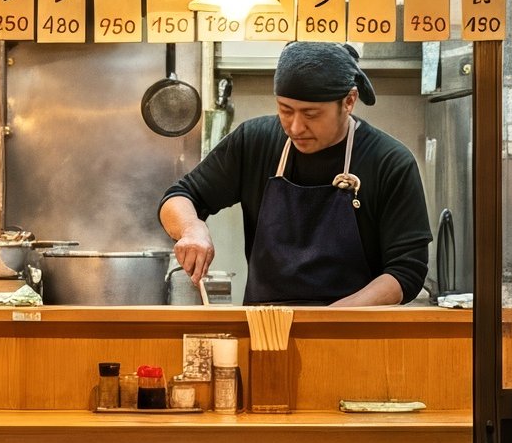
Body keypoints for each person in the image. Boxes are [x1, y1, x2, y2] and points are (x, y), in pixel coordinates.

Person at [159, 41, 432, 307]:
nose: (296, 126)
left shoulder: (389, 161)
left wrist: (329, 322)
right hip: (266, 331)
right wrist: (192, 228)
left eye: (311, 114)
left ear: (349, 101)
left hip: (353, 333)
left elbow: (406, 272)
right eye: (285, 111)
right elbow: (179, 196)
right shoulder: (255, 141)